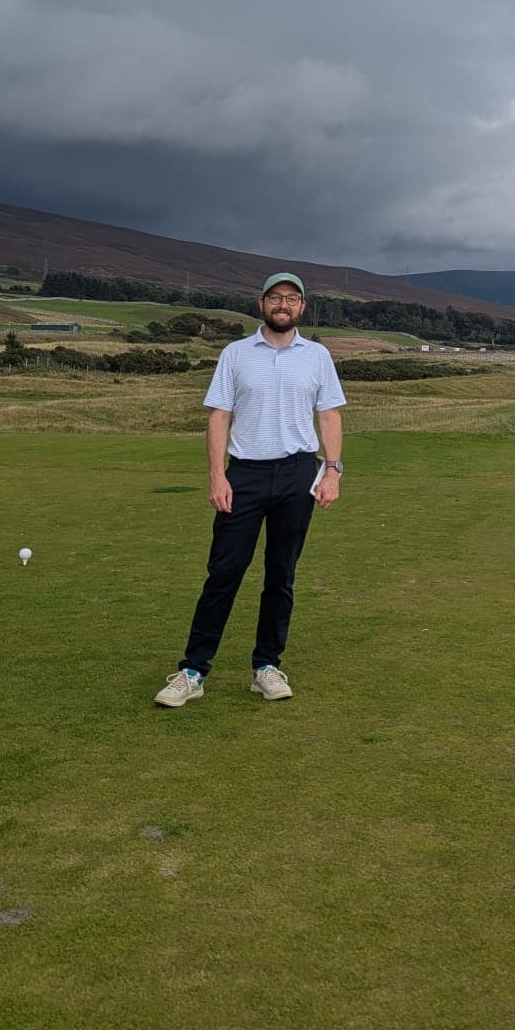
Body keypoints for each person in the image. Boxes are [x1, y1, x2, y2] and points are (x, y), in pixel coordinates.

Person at [154, 272, 346, 708]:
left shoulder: (317, 356)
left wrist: (332, 471)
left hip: (299, 473)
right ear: (261, 304)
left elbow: (330, 416)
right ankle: (193, 670)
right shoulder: (235, 354)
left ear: (302, 308)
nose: (283, 305)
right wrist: (217, 475)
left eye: (292, 299)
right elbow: (219, 416)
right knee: (224, 573)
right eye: (276, 297)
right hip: (244, 475)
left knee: (281, 575)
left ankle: (266, 667)